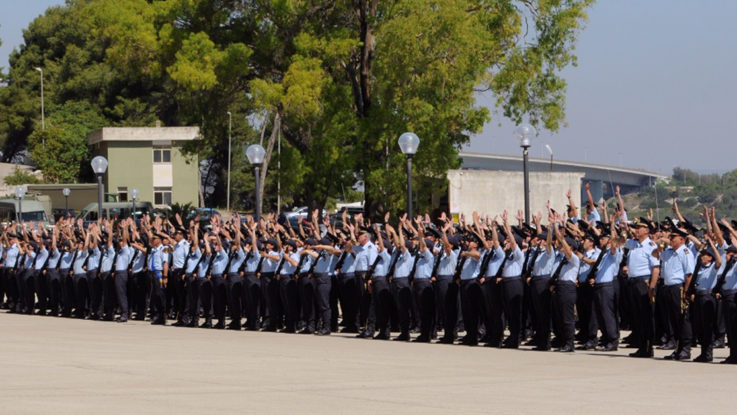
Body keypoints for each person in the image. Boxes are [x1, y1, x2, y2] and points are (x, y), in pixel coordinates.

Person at [623, 218, 660, 358]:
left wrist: (651, 287)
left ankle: (648, 347)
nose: (636, 230)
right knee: (637, 317)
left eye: (639, 228)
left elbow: (655, 268)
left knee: (646, 316)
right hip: (633, 282)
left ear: (647, 230)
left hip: (644, 282)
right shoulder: (634, 244)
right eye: (635, 227)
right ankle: (641, 346)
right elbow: (619, 239)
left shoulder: (650, 246)